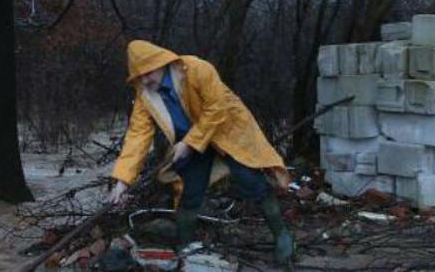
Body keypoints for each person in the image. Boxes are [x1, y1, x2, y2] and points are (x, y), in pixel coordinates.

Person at [105, 40, 295, 264]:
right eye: (140, 76)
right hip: (193, 143)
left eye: (148, 72)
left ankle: (282, 234)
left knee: (251, 180)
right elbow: (137, 136)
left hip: (228, 132)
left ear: (162, 63)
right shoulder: (145, 95)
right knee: (190, 190)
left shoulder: (197, 69)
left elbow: (217, 108)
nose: (145, 79)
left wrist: (188, 143)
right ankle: (185, 247)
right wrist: (122, 182)